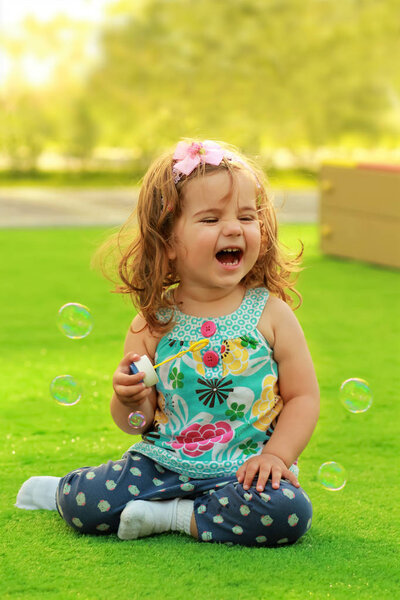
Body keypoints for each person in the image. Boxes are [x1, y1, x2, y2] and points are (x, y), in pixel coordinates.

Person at [16, 139, 320, 547]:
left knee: (288, 512)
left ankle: (172, 516)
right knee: (88, 504)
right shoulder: (154, 322)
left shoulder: (272, 315)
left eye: (247, 217)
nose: (233, 228)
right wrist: (128, 400)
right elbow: (135, 424)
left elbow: (303, 397)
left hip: (244, 470)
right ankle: (60, 492)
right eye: (211, 220)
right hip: (163, 464)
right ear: (169, 243)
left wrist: (275, 457)